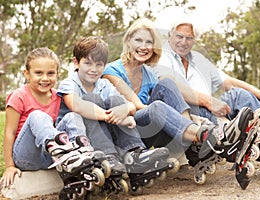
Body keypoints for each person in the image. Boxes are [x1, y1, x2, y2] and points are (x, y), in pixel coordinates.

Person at [102, 18, 260, 189]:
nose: (144, 46)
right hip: (127, 133)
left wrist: (191, 118)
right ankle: (206, 136)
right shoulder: (112, 70)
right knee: (156, 107)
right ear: (128, 41)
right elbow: (136, 106)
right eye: (138, 40)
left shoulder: (148, 74)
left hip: (148, 130)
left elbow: (170, 95)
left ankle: (196, 141)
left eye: (149, 42)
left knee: (167, 84)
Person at [153, 18, 260, 175]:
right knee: (219, 109)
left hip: (209, 110)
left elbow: (229, 82)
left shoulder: (198, 59)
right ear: (170, 36)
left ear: (194, 40)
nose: (183, 42)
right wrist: (208, 101)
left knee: (239, 95)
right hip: (186, 116)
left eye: (189, 38)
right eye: (179, 36)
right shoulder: (162, 56)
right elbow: (169, 86)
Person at [56, 36, 174, 194]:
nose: (93, 69)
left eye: (99, 64)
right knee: (92, 100)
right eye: (88, 63)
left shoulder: (103, 84)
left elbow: (129, 104)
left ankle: (134, 153)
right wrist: (109, 116)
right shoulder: (69, 83)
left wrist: (124, 110)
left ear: (104, 66)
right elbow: (77, 105)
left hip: (106, 136)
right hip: (80, 141)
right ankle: (108, 158)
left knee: (115, 100)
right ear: (76, 63)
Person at [0, 47, 99, 190]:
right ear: (27, 74)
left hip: (49, 157)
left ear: (58, 74)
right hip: (27, 157)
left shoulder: (58, 96)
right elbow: (9, 132)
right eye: (38, 73)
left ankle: (81, 154)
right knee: (37, 115)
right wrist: (9, 166)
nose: (45, 78)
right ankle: (60, 150)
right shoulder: (19, 96)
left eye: (50, 73)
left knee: (72, 116)